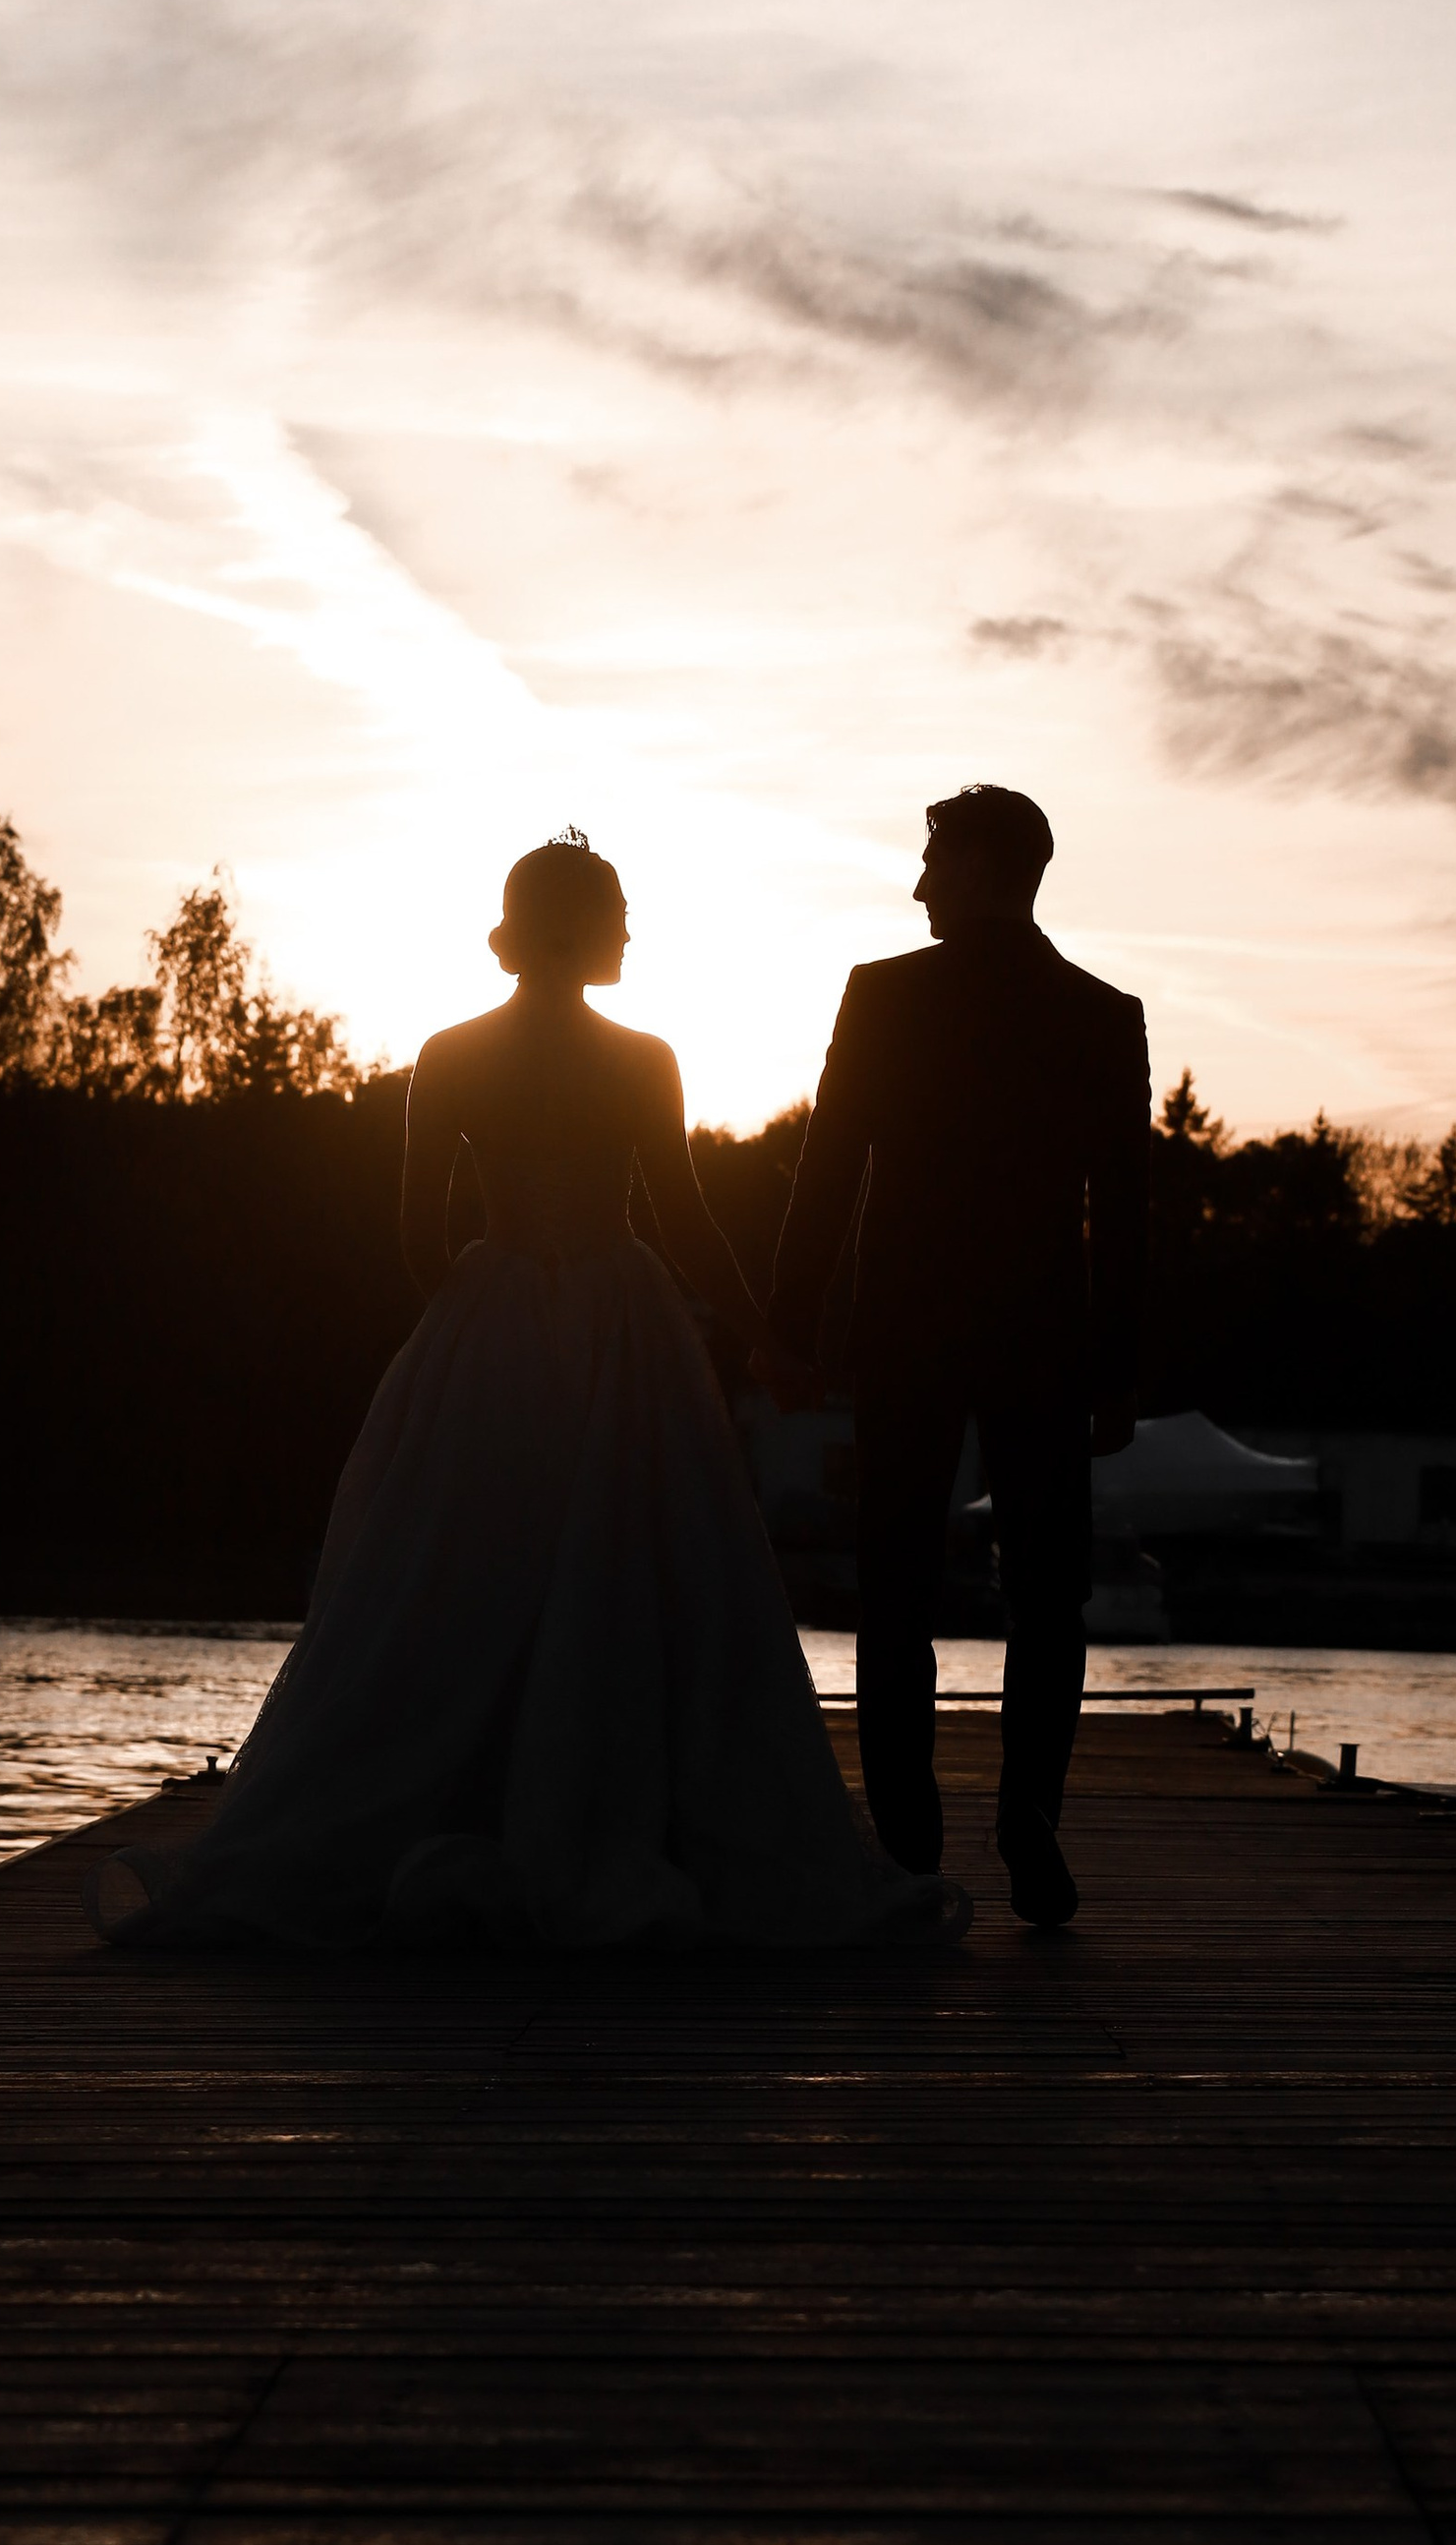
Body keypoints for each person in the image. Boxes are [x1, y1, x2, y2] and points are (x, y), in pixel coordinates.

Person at [91, 834, 963, 1958]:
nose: (632, 933)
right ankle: (605, 1812)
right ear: (583, 927)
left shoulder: (451, 1054)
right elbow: (686, 1225)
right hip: (622, 1329)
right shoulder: (643, 1059)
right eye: (619, 914)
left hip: (486, 1324)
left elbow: (416, 1229)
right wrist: (768, 1341)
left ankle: (459, 1807)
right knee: (631, 1577)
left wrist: (473, 1320)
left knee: (454, 1580)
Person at [768, 787, 1150, 1929]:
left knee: (896, 1584)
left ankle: (906, 1834)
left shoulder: (883, 997)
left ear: (982, 866)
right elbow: (1121, 1215)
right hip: (1043, 1336)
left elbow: (827, 1171)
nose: (920, 883)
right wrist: (1118, 1369)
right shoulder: (1100, 1013)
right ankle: (1028, 1813)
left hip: (907, 1328)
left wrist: (791, 1327)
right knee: (1050, 1593)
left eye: (933, 859)